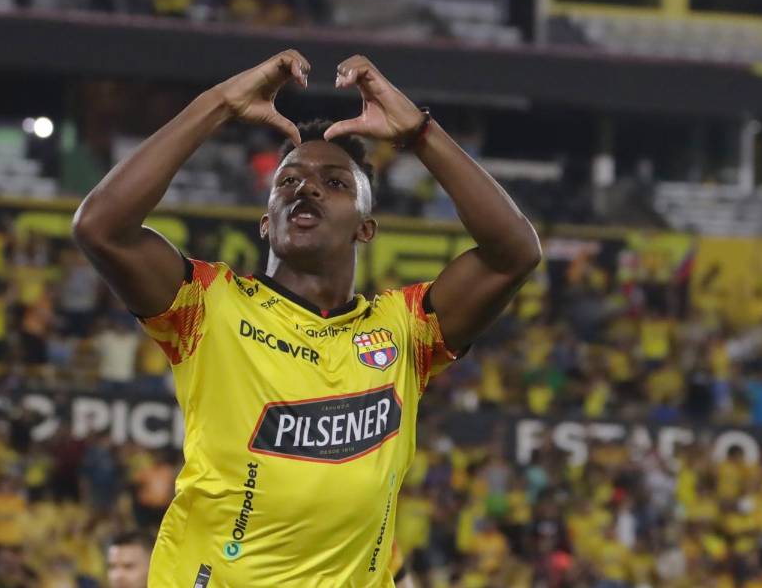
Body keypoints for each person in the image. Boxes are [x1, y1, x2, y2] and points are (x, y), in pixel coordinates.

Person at [72, 50, 541, 586]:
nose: (307, 188)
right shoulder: (209, 306)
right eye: (288, 181)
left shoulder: (406, 329)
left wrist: (420, 134)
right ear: (266, 223)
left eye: (336, 183)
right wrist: (218, 104)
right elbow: (100, 227)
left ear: (365, 228)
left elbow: (515, 253)